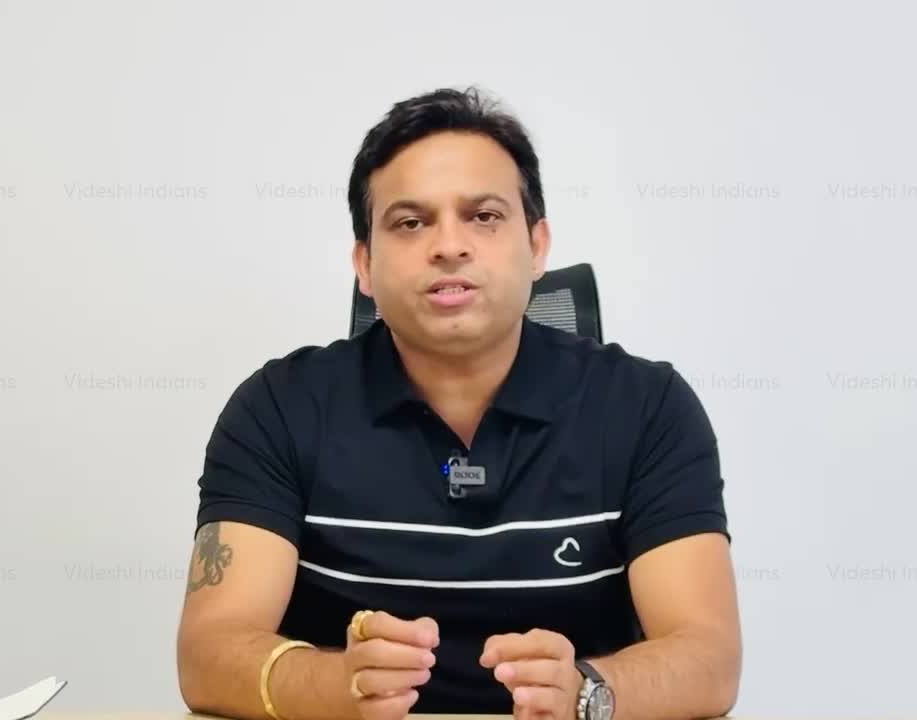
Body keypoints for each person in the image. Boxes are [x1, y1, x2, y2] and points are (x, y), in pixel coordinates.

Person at [176, 86, 741, 720]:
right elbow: (207, 654)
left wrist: (586, 691)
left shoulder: (648, 408)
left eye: (484, 216)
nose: (449, 245)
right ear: (365, 264)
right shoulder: (278, 408)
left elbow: (710, 659)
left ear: (538, 246)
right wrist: (337, 685)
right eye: (410, 223)